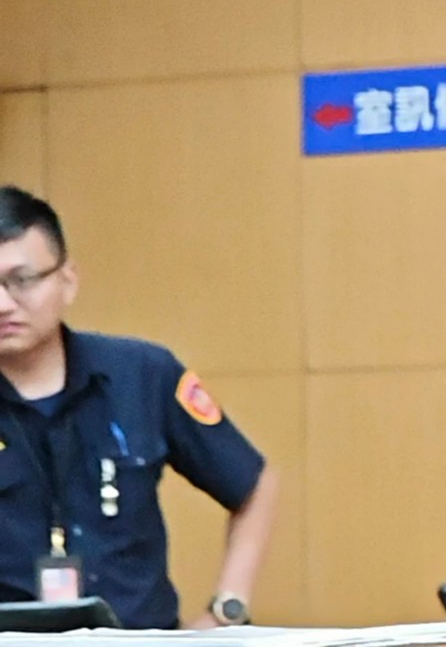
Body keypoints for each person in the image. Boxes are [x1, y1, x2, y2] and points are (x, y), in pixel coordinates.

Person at [0, 185, 277, 630]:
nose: (3, 304)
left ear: (67, 280)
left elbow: (252, 483)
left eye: (22, 280)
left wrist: (226, 612)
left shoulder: (143, 375)